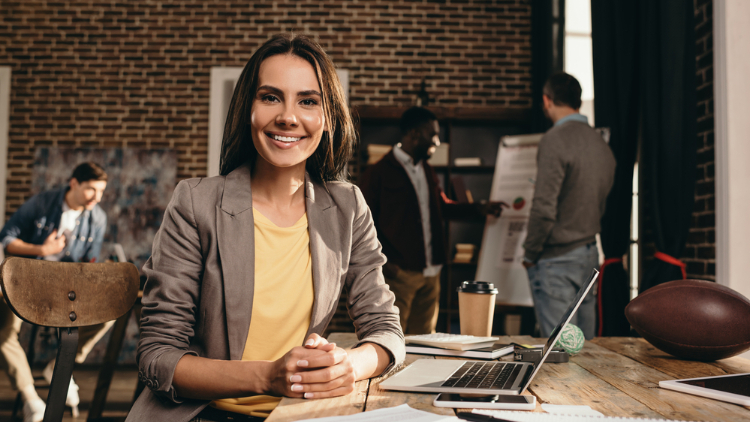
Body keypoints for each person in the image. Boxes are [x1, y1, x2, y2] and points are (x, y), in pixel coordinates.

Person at [126, 34, 404, 422]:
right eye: (271, 97)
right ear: (248, 110)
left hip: (298, 415)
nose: (288, 116)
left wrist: (350, 365)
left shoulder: (348, 207)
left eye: (308, 101)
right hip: (205, 415)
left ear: (327, 119)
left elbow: (385, 328)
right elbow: (158, 358)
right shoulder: (195, 203)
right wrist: (269, 376)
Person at [359, 107, 504, 335]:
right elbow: (363, 224)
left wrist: (479, 208)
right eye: (432, 134)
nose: (436, 141)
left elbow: (441, 207)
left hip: (432, 272)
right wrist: (386, 264)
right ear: (415, 134)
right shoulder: (378, 172)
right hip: (400, 273)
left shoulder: (426, 169)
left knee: (424, 339)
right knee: (392, 337)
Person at [0, 161, 109, 421]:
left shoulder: (98, 218)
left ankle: (58, 368)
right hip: (22, 284)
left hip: (65, 291)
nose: (97, 197)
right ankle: (30, 399)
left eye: (101, 191)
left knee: (108, 315)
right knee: (4, 333)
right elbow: (6, 239)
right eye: (91, 189)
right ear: (74, 183)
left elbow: (89, 263)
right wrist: (41, 251)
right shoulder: (41, 203)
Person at [522, 72, 616, 340]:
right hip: (589, 254)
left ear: (546, 100)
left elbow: (543, 207)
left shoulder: (555, 139)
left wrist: (530, 255)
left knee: (560, 354)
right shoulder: (600, 143)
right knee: (585, 351)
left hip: (556, 259)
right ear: (578, 102)